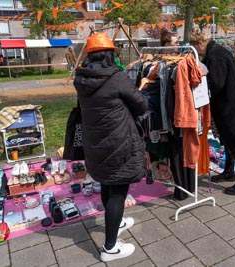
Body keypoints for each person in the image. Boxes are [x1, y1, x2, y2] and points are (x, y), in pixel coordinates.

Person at [73, 33, 148, 262]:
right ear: (110, 53)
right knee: (117, 191)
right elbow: (141, 104)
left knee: (107, 182)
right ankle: (110, 248)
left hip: (96, 143)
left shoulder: (82, 78)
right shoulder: (116, 77)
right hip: (118, 143)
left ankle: (117, 222)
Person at [189, 28, 235, 195]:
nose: (195, 50)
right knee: (229, 140)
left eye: (194, 45)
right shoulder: (215, 53)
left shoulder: (215, 56)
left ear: (200, 43)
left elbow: (216, 84)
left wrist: (197, 89)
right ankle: (229, 172)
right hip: (232, 103)